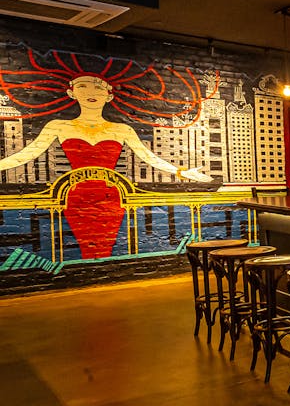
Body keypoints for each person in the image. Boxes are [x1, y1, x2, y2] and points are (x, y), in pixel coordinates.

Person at [0, 51, 213, 258]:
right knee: (84, 244)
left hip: (112, 197)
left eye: (98, 88)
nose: (91, 93)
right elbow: (27, 154)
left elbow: (148, 157)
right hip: (75, 198)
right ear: (71, 93)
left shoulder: (122, 129)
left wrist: (182, 172)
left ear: (109, 95)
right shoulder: (58, 126)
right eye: (82, 86)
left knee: (106, 244)